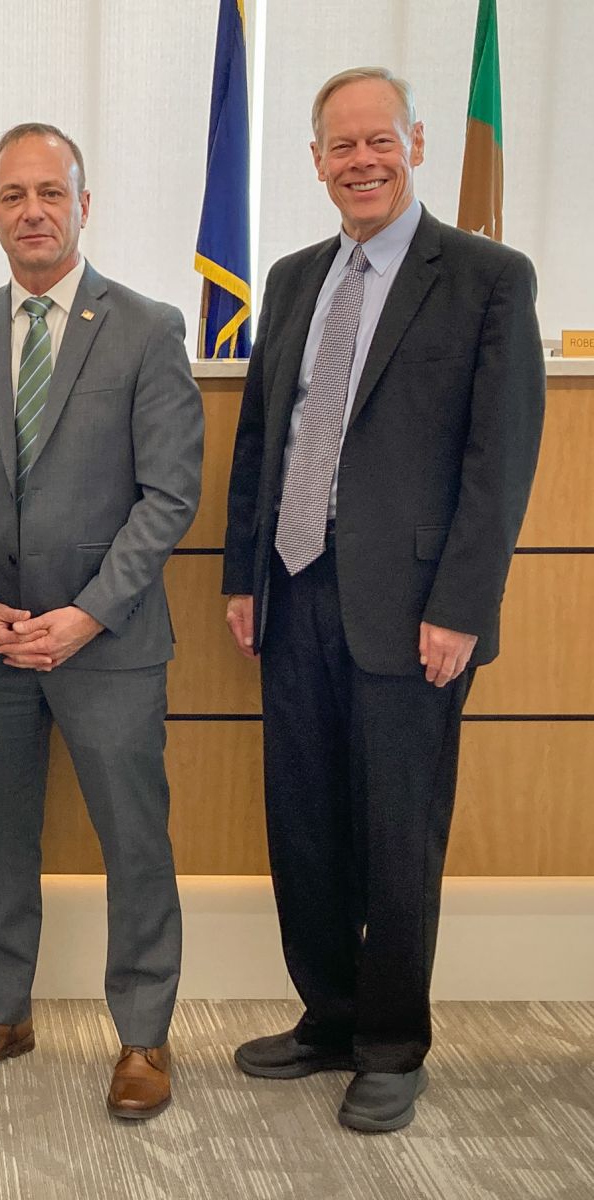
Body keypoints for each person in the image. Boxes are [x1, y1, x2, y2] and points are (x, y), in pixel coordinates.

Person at [222, 67, 544, 1133]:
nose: (360, 161)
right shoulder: (290, 277)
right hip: (294, 590)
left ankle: (393, 1043)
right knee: (304, 823)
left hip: (414, 614)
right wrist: (241, 577)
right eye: (339, 147)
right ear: (314, 162)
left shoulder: (489, 276)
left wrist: (462, 605)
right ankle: (329, 1017)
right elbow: (263, 438)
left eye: (378, 141)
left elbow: (499, 463)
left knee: (397, 831)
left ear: (413, 141)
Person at [0, 123, 204, 1120]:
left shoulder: (147, 327)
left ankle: (144, 1034)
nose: (31, 210)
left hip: (109, 646)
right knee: (2, 839)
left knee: (136, 840)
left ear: (86, 204)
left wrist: (86, 614)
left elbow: (169, 497)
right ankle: (0, 1012)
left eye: (51, 192)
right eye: (12, 195)